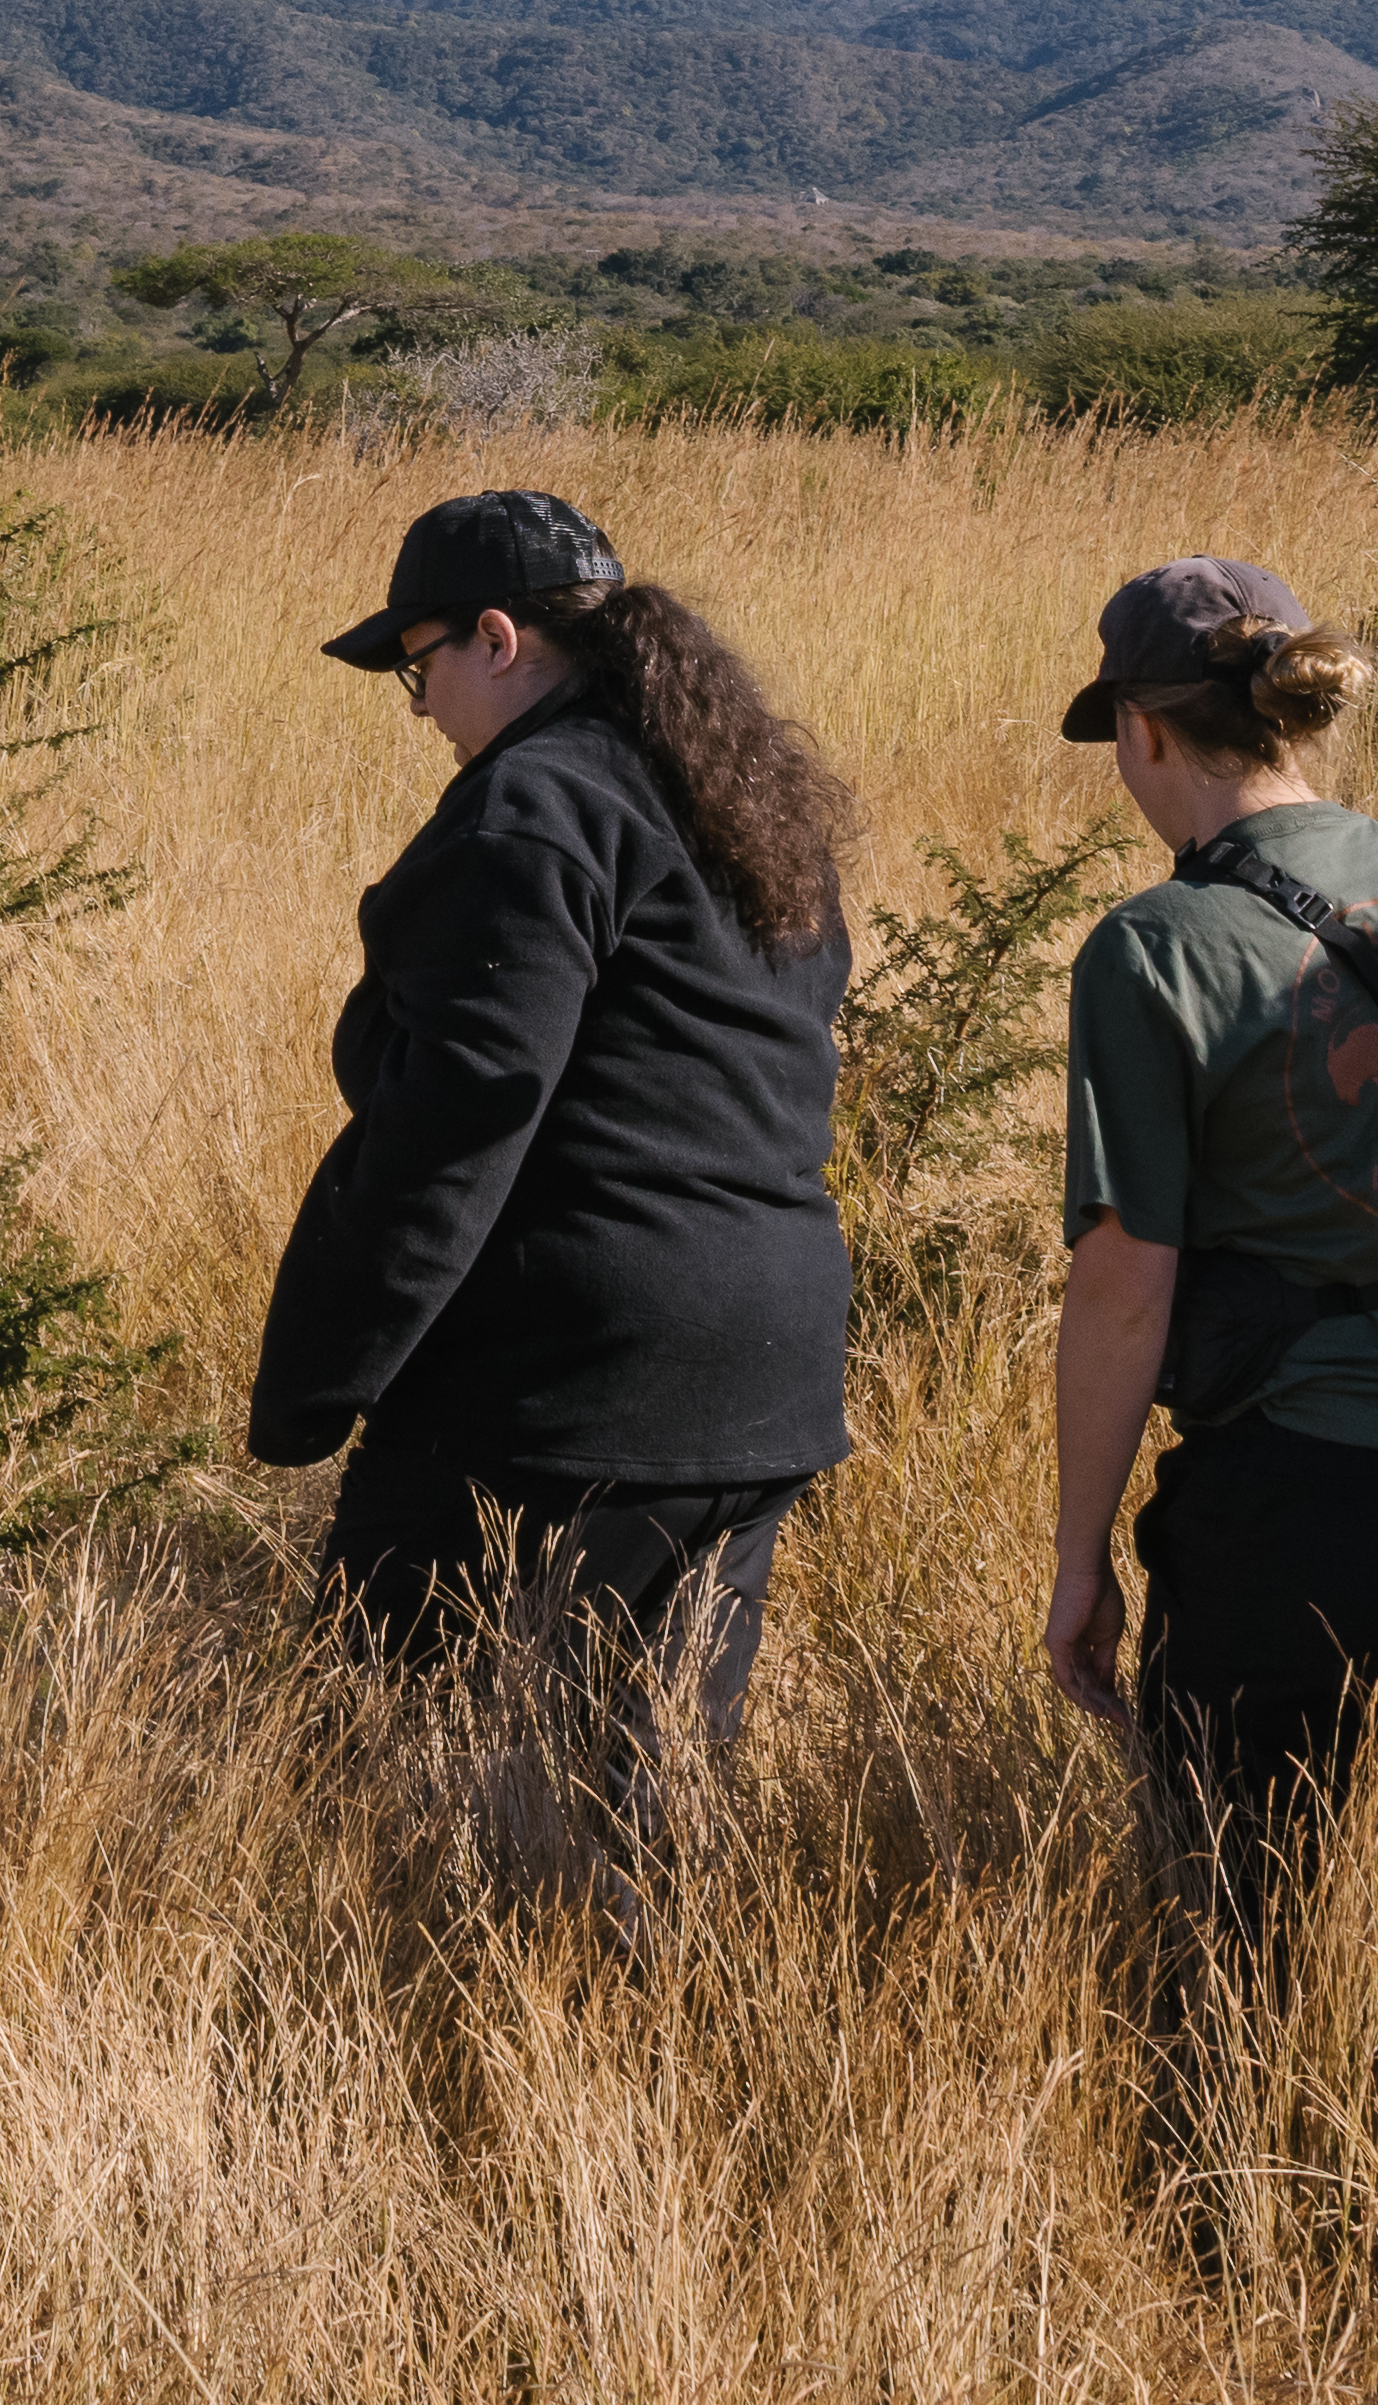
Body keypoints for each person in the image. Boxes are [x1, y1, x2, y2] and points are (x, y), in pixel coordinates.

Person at [251, 489, 857, 1922]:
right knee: (656, 1787)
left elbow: (458, 1121)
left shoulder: (533, 804)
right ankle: (656, 2074)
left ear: (501, 638)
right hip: (764, 1361)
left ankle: (470, 2046)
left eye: (422, 666)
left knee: (406, 1745)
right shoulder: (732, 796)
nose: (420, 708)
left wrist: (323, 1384)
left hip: (581, 1368)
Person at [1036, 554, 1378, 1941]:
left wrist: (1079, 1556)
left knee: (1240, 1924)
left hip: (1300, 1498)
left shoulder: (1155, 946)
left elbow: (1125, 1284)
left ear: (1145, 728)